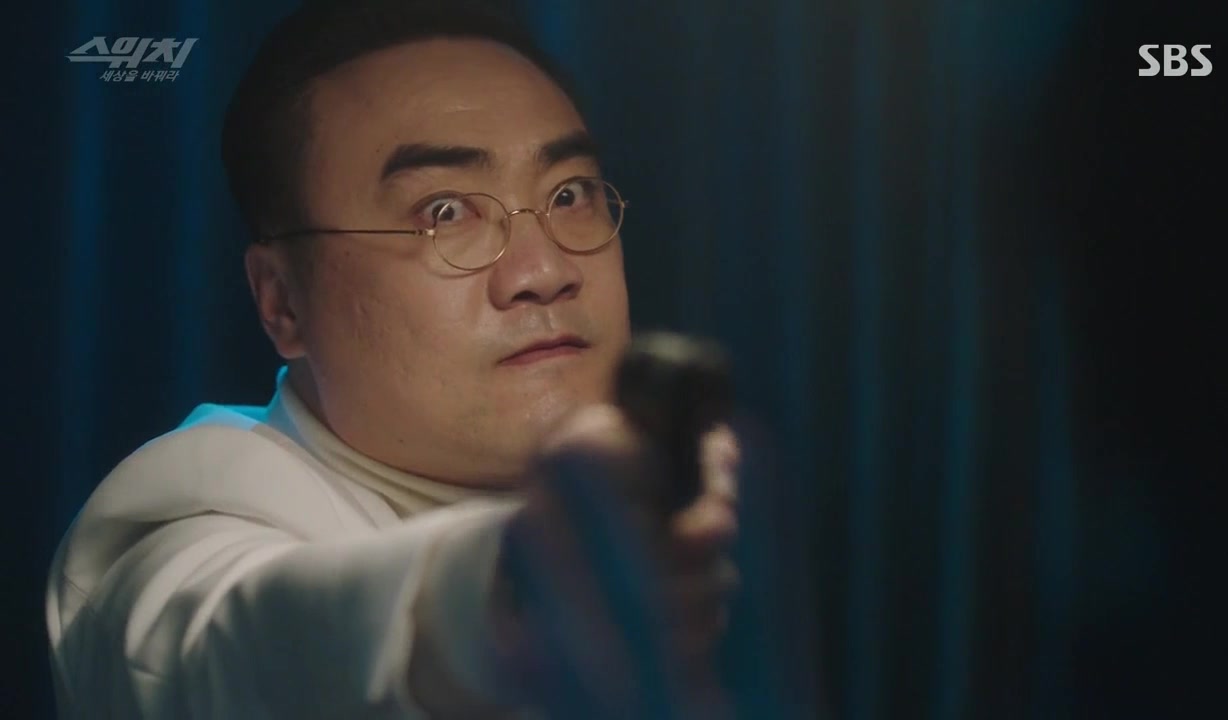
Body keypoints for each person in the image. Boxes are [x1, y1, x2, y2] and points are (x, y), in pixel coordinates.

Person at [44, 1, 741, 717]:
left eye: (570, 194)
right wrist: (516, 588)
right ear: (283, 302)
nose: (544, 270)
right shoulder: (193, 513)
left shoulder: (690, 528)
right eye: (445, 212)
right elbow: (233, 649)